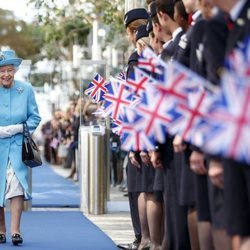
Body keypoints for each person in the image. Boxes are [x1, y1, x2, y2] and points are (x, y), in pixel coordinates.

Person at [0, 49, 41, 245]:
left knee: (16, 187)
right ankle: (1, 230)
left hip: (18, 147)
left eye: (9, 70)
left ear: (14, 70)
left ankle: (16, 231)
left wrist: (20, 127)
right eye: (2, 71)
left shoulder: (25, 89)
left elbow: (35, 117)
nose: (6, 74)